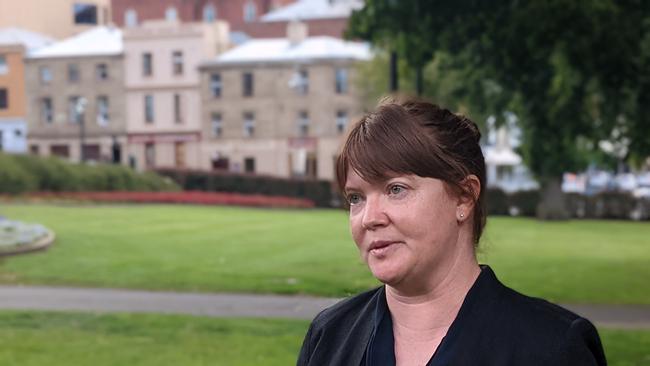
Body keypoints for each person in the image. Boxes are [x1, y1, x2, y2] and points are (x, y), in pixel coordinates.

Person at [297, 97, 606, 366]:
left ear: (464, 196)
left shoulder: (552, 348)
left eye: (395, 189)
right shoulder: (329, 336)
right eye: (356, 198)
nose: (369, 218)